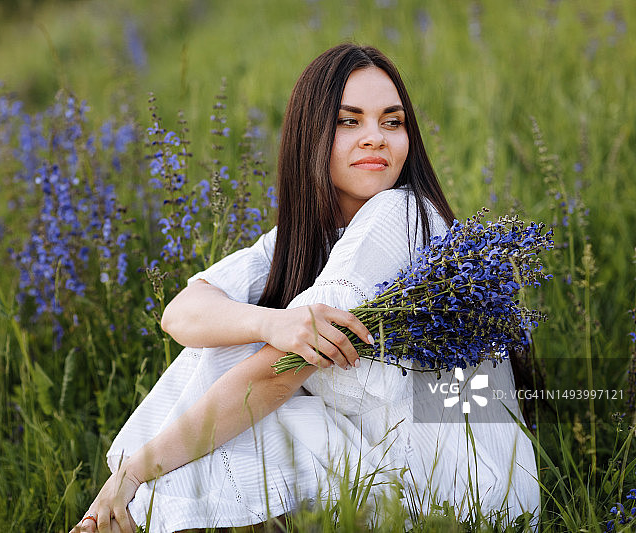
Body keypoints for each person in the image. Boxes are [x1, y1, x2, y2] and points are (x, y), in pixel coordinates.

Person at [71, 44, 540, 533]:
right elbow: (183, 314)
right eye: (349, 122)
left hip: (468, 497)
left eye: (392, 122)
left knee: (251, 392)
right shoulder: (304, 240)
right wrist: (271, 320)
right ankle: (131, 514)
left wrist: (136, 469)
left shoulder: (399, 215)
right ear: (310, 135)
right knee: (230, 346)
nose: (375, 139)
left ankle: (124, 512)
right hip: (425, 474)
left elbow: (274, 378)